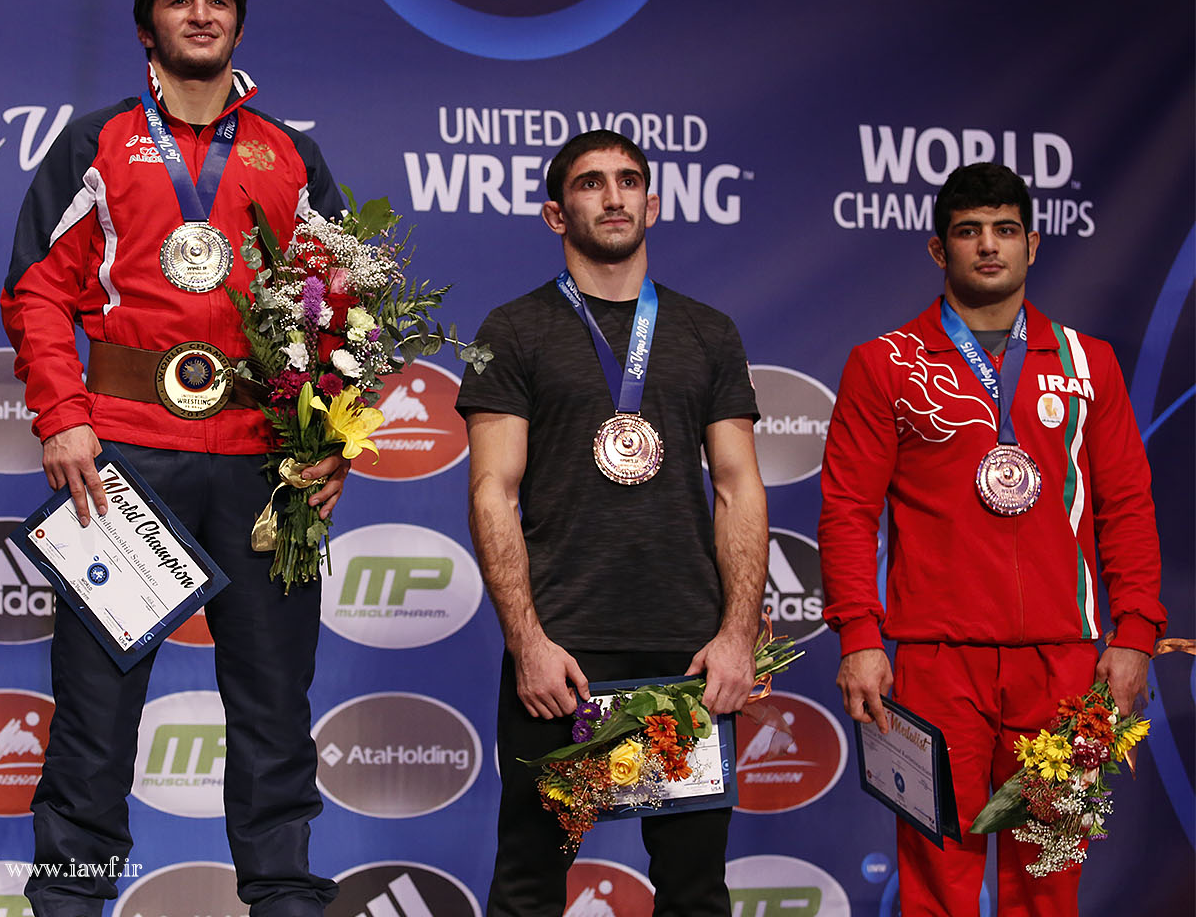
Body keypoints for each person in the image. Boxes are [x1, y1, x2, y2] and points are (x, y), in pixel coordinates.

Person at [0, 0, 346, 917]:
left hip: (265, 463)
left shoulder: (288, 153)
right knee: (96, 710)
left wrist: (329, 435)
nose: (201, 13)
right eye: (180, 0)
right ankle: (71, 902)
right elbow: (37, 289)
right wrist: (63, 418)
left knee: (275, 708)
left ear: (238, 22)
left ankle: (285, 899)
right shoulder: (99, 141)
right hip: (122, 458)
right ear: (148, 26)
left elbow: (340, 304)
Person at [818, 162, 1166, 916]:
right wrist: (859, 636)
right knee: (935, 882)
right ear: (937, 249)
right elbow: (848, 511)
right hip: (937, 663)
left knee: (1049, 879)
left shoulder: (1088, 363)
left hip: (1065, 663)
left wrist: (1137, 631)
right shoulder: (885, 363)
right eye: (968, 231)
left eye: (1005, 230)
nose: (988, 246)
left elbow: (1128, 508)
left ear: (1032, 244)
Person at [456, 129, 768, 917]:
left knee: (695, 891)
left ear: (652, 205)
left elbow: (738, 488)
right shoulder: (513, 330)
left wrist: (736, 635)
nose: (614, 196)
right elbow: (492, 490)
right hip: (565, 655)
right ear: (556, 215)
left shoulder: (707, 332)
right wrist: (528, 643)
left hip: (687, 652)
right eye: (591, 183)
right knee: (529, 884)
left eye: (628, 181)